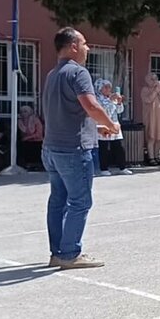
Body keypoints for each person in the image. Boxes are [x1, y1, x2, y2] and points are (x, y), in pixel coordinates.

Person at [42, 27, 120, 269]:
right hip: (73, 151)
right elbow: (91, 106)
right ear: (73, 46)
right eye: (84, 43)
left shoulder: (52, 75)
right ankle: (70, 253)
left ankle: (57, 252)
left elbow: (64, 114)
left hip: (52, 148)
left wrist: (96, 129)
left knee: (58, 200)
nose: (88, 48)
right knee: (80, 201)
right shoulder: (78, 73)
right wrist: (110, 124)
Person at [95, 79, 131, 176]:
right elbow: (105, 111)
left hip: (114, 125)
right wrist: (111, 101)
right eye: (105, 87)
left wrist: (119, 103)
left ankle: (122, 167)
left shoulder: (112, 98)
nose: (108, 89)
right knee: (104, 147)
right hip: (103, 125)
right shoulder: (97, 99)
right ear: (100, 89)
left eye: (109, 87)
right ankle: (104, 168)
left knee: (118, 146)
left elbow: (119, 111)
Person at [140, 73, 160, 164]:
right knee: (151, 137)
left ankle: (157, 156)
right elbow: (148, 100)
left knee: (159, 138)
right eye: (152, 79)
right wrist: (155, 91)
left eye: (156, 78)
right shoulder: (145, 90)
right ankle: (151, 157)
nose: (154, 80)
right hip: (151, 117)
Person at [17, 104, 45, 169]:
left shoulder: (35, 120)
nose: (23, 113)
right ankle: (26, 164)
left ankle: (37, 165)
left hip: (37, 140)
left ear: (30, 112)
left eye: (25, 111)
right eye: (21, 112)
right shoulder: (20, 121)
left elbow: (39, 134)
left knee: (33, 146)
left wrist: (27, 138)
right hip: (26, 141)